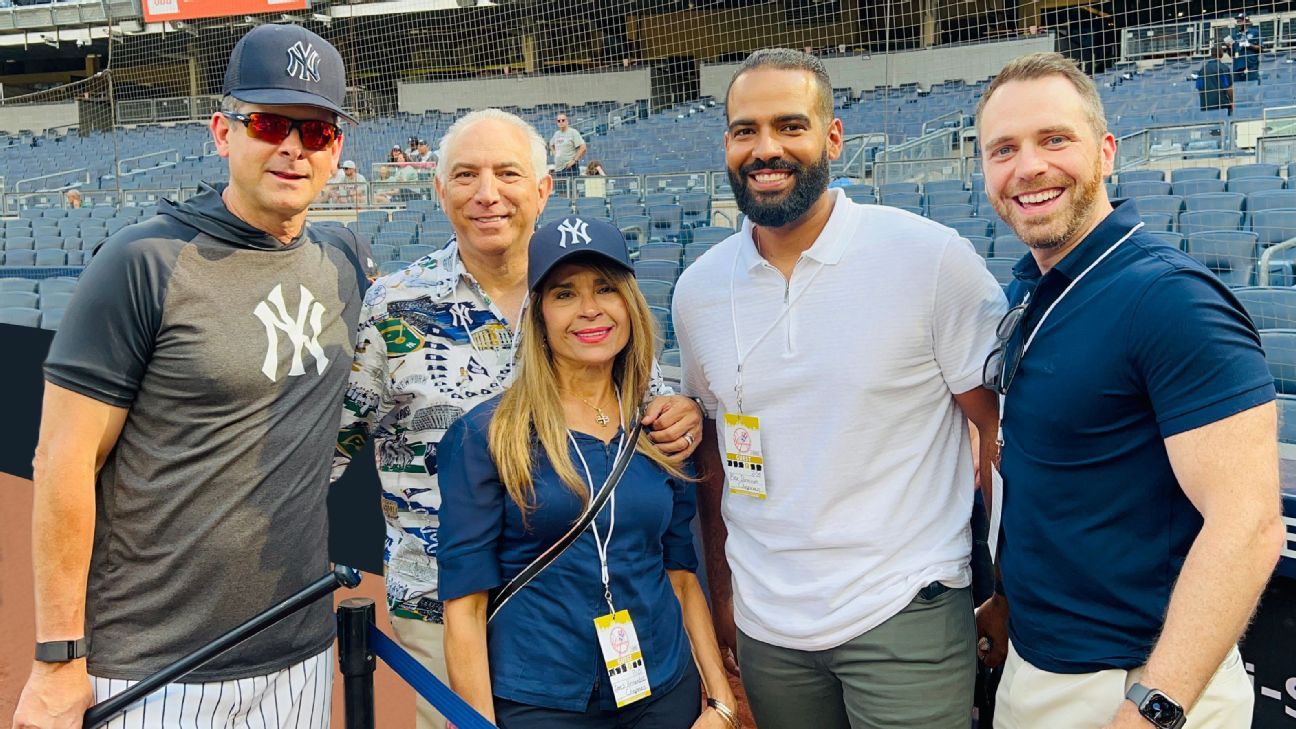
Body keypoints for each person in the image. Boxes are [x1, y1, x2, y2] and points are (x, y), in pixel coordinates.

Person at [13, 23, 370, 729]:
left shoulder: (346, 262)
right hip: (154, 665)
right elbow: (62, 461)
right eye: (269, 122)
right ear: (222, 131)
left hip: (297, 649)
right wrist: (58, 658)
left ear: (336, 151)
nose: (293, 147)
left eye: (317, 131)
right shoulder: (142, 262)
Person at [331, 108, 702, 729]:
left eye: (507, 173)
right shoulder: (393, 303)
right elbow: (336, 443)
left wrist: (681, 411)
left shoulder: (586, 292)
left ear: (544, 188)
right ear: (439, 188)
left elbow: (645, 409)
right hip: (441, 609)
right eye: (465, 175)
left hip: (583, 600)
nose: (487, 194)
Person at [672, 48, 1005, 729]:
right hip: (770, 628)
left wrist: (1008, 587)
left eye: (790, 126)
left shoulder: (930, 258)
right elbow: (712, 453)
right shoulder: (697, 289)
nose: (765, 149)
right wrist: (728, 594)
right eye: (745, 130)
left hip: (904, 611)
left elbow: (997, 428)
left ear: (832, 138)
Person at [974, 51, 1282, 729]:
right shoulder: (1033, 290)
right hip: (1039, 664)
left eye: (1055, 139)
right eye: (1004, 149)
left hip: (1135, 686)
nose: (1028, 167)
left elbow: (1250, 523)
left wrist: (1153, 707)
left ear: (1106, 152)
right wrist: (1009, 600)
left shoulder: (1169, 299)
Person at [437, 217, 738, 728]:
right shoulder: (487, 435)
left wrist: (721, 702)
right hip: (538, 699)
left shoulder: (660, 429)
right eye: (564, 294)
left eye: (605, 289)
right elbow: (464, 605)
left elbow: (681, 575)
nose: (590, 309)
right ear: (539, 316)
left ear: (630, 305)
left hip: (662, 688)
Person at [1196, 44, 1234, 113]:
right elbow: (1228, 88)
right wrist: (1232, 102)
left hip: (1206, 106)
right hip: (1222, 106)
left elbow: (1199, 89)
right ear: (1221, 54)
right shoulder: (1223, 68)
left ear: (1211, 54)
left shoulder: (1202, 70)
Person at [1231, 14, 1261, 83]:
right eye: (1237, 21)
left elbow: (1261, 48)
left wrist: (1249, 45)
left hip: (1251, 66)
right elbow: (1232, 54)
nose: (1238, 22)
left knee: (1253, 88)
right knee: (1238, 90)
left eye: (1240, 20)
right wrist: (1228, 47)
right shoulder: (1234, 35)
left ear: (1246, 21)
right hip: (1237, 68)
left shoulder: (1254, 32)